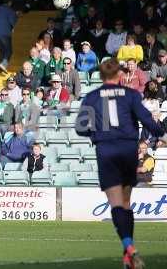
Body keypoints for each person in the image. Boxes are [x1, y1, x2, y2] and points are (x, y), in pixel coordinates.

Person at [75, 57, 167, 269]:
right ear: (119, 75)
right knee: (126, 203)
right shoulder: (131, 95)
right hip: (127, 149)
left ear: (101, 76)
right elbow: (148, 121)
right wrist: (163, 137)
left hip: (106, 149)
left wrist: (96, 133)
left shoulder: (91, 97)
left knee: (116, 203)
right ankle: (128, 253)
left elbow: (80, 128)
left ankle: (129, 247)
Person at [0, 0, 17, 73]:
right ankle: (4, 64)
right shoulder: (10, 10)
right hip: (5, 33)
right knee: (9, 51)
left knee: (2, 50)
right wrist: (16, 15)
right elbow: (12, 22)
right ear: (10, 2)